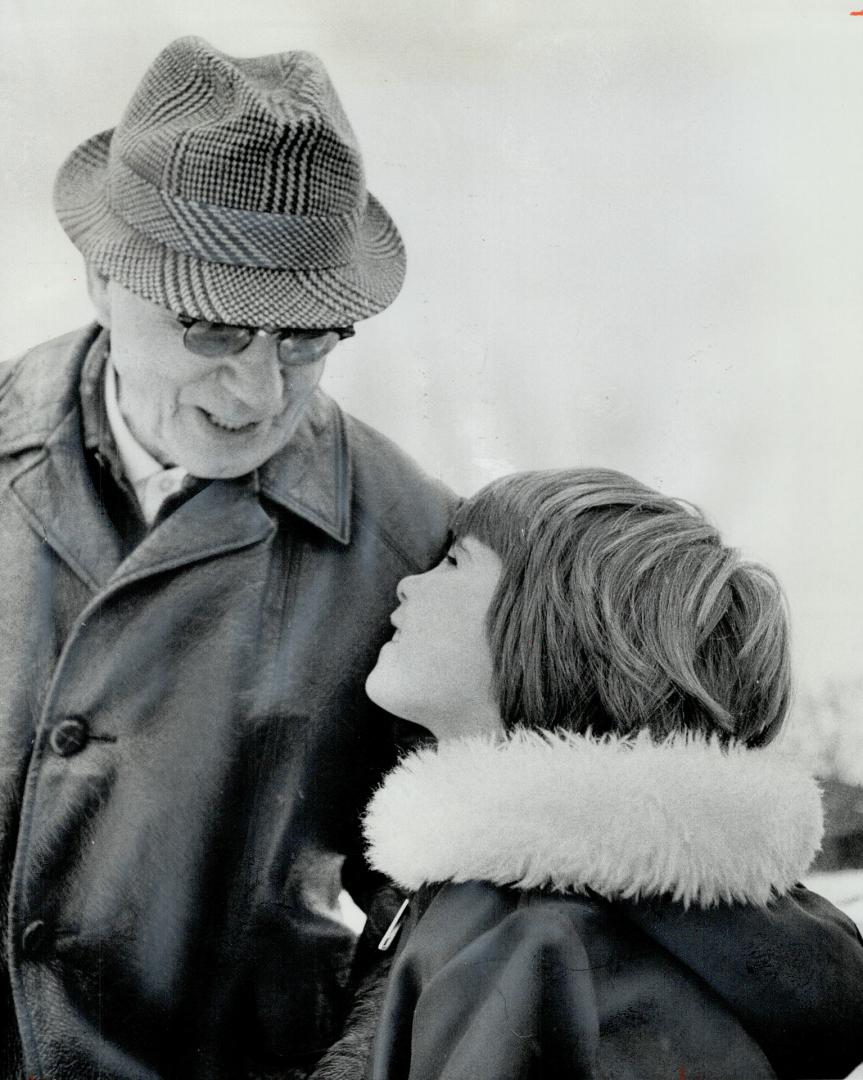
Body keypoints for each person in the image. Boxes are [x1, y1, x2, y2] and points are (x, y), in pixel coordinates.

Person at [0, 36, 456, 1080]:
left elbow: (444, 912)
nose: (254, 394)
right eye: (210, 329)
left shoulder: (409, 543)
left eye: (305, 337)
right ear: (102, 283)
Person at [355, 468, 863, 1080]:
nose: (408, 584)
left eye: (455, 564)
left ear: (554, 628)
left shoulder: (541, 941)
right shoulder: (544, 917)